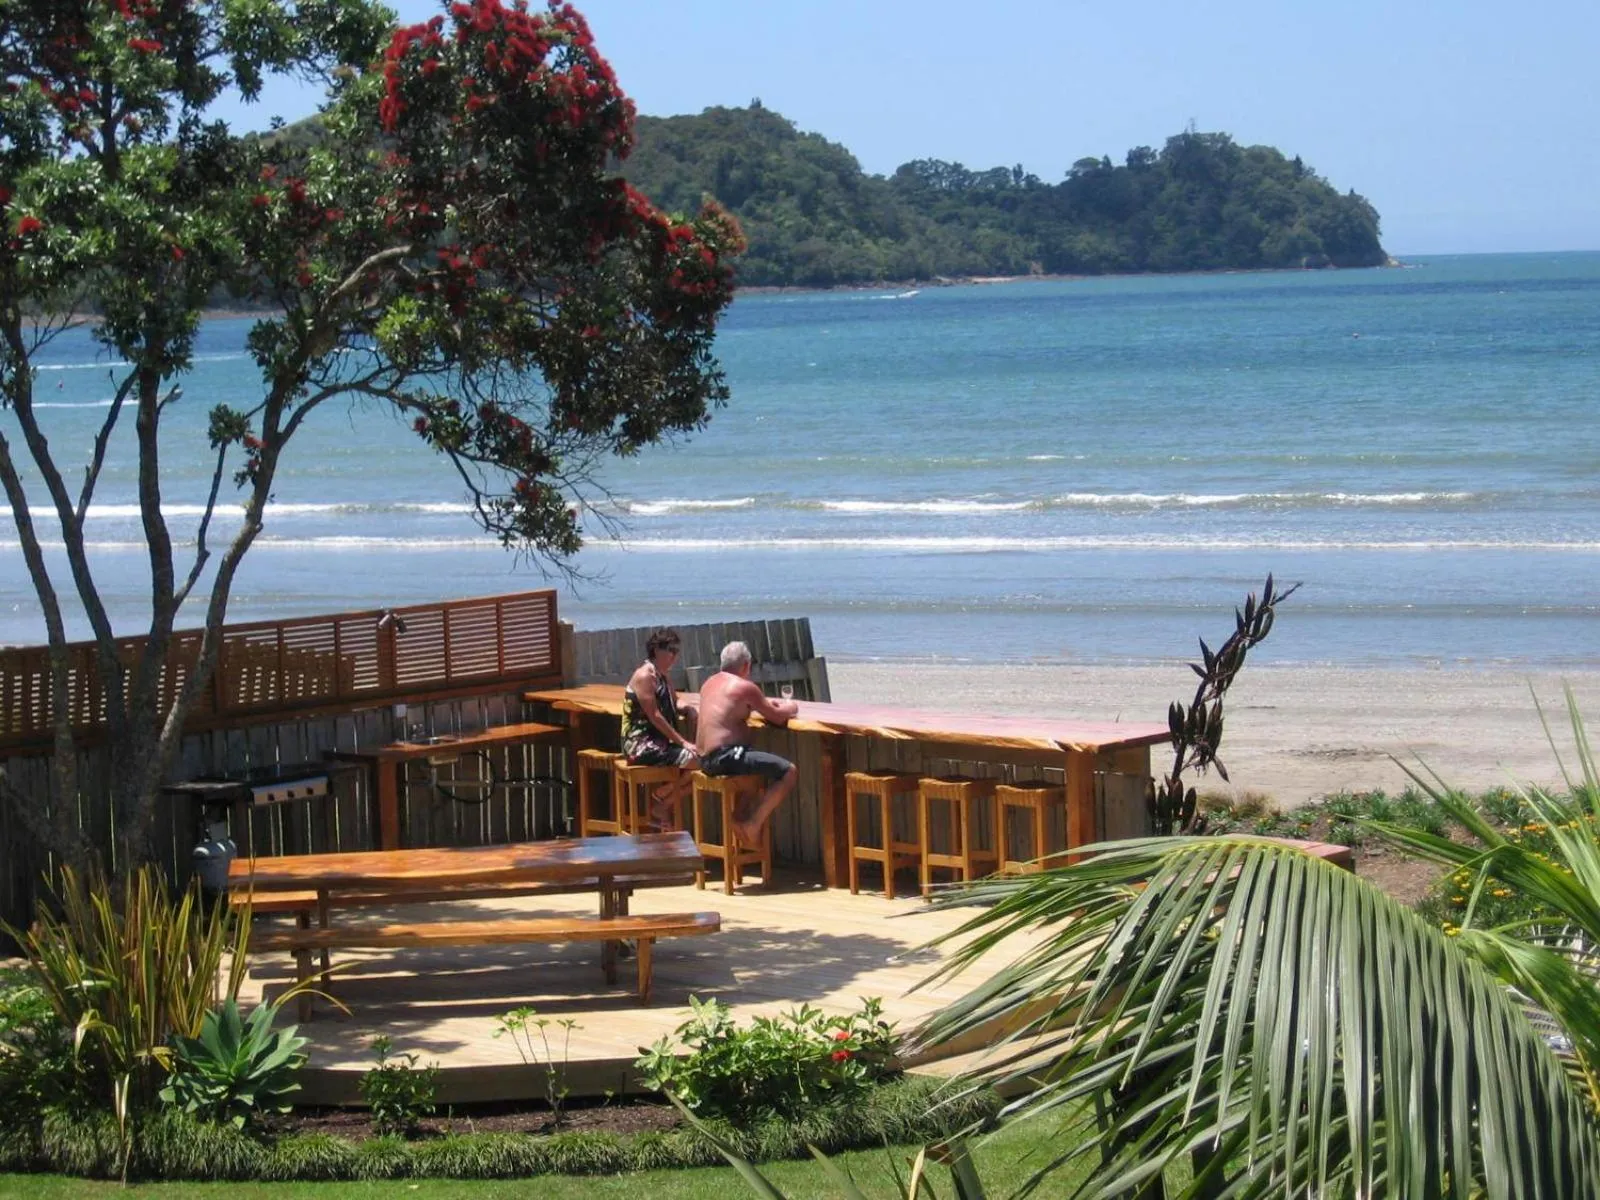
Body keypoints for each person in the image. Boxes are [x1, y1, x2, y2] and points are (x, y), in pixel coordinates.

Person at [696, 640, 799, 846]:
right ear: (746, 666)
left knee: (753, 776)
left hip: (703, 759)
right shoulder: (744, 686)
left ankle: (737, 819)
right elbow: (778, 717)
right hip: (725, 757)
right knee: (789, 772)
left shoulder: (708, 683)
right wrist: (791, 706)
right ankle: (753, 824)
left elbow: (731, 709)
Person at [620, 627, 698, 829]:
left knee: (704, 763)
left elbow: (675, 701)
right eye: (670, 650)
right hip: (640, 745)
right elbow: (655, 716)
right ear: (656, 650)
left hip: (660, 743)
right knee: (698, 760)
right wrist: (683, 742)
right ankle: (662, 801)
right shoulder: (645, 676)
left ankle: (663, 799)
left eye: (676, 651)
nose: (674, 656)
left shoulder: (662, 675)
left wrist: (687, 708)